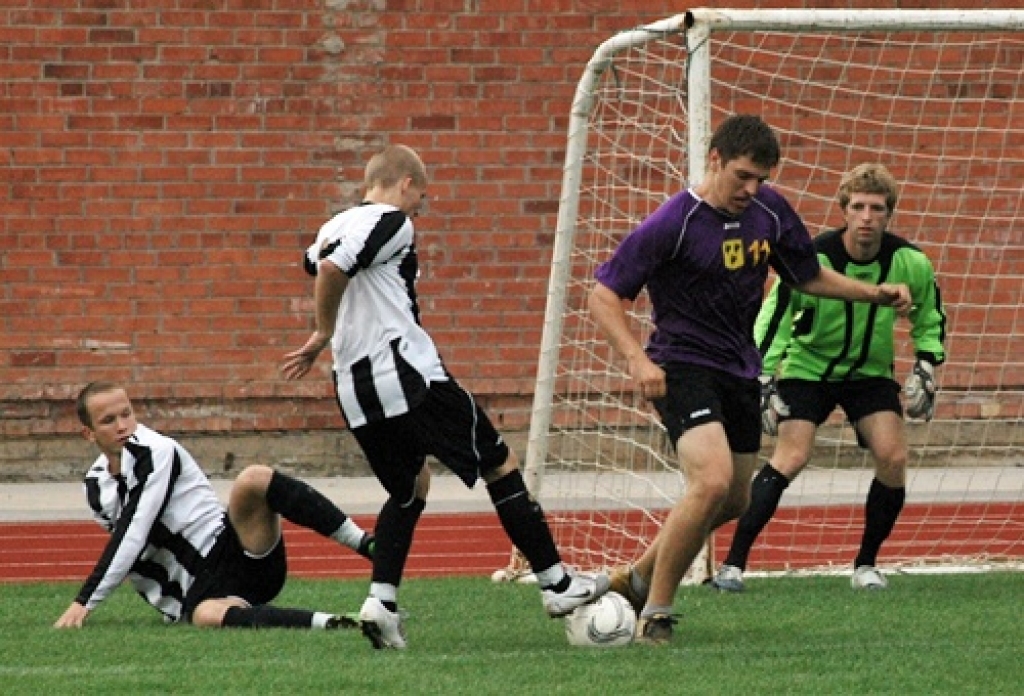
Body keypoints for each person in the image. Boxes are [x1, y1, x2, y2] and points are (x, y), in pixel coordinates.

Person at [589, 115, 913, 645]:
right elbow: (603, 295)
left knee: (733, 500)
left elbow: (805, 275)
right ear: (714, 159)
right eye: (742, 176)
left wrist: (875, 294)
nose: (751, 189)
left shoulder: (769, 211)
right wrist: (636, 361)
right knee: (711, 480)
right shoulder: (673, 221)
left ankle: (638, 577)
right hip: (682, 365)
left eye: (761, 178)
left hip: (740, 367)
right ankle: (658, 611)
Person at [281, 144, 609, 650]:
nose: (421, 210)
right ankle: (557, 585)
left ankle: (381, 603)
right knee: (501, 463)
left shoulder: (332, 226)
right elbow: (331, 272)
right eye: (422, 197)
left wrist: (330, 335)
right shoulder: (392, 220)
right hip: (410, 377)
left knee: (411, 486)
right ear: (406, 183)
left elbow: (316, 262)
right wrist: (322, 332)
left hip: (354, 389)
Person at [711, 163, 946, 593]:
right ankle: (732, 566)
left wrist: (927, 365)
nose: (867, 216)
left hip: (869, 374)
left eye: (877, 208)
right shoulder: (812, 260)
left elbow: (929, 317)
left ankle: (866, 565)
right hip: (807, 369)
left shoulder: (910, 263)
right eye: (858, 206)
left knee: (893, 457)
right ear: (844, 210)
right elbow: (774, 319)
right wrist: (762, 378)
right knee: (791, 456)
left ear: (889, 214)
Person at [54, 381, 374, 630]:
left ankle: (367, 545)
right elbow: (135, 554)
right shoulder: (96, 488)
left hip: (235, 553)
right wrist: (175, 607)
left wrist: (85, 602)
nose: (123, 426)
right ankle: (335, 622)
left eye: (127, 414)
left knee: (252, 479)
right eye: (109, 420)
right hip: (203, 589)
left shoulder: (157, 451)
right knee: (206, 615)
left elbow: (134, 531)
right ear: (89, 433)